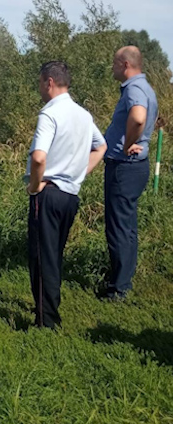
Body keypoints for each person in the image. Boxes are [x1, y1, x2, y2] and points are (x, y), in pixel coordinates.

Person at [26, 61, 107, 328]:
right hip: (70, 195)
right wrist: (78, 173)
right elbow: (101, 146)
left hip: (48, 194)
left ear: (49, 82)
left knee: (42, 258)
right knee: (54, 254)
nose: (40, 88)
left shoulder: (50, 114)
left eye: (40, 83)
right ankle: (48, 309)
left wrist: (34, 186)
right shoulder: (83, 115)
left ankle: (46, 321)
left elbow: (39, 157)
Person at [103, 46, 158, 301]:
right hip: (136, 166)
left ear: (125, 65)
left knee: (118, 228)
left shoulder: (134, 89)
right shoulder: (146, 88)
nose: (112, 67)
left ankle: (119, 288)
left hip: (124, 167)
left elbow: (138, 118)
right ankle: (123, 279)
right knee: (127, 226)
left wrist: (127, 144)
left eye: (114, 63)